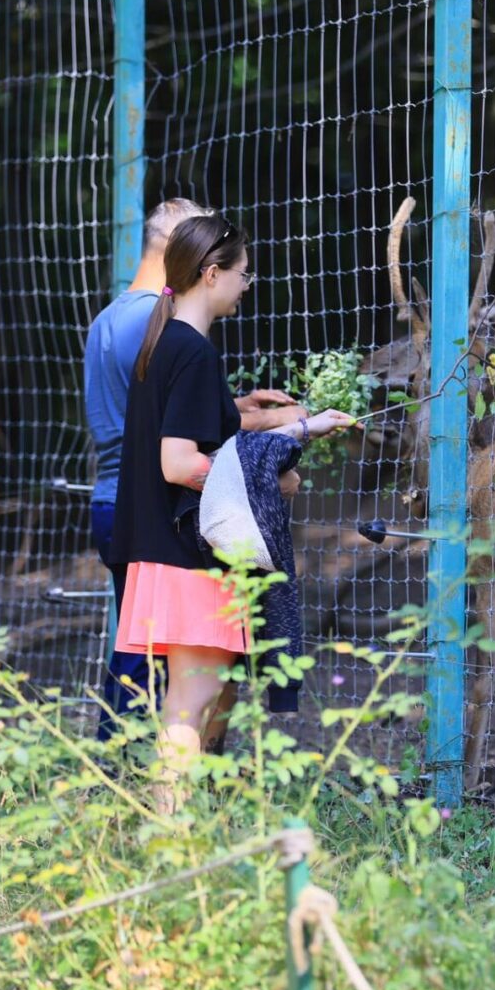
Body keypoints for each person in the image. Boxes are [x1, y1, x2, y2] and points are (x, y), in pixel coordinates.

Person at [109, 214, 356, 813]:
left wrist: (288, 429)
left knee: (207, 696)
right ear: (211, 274)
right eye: (243, 274)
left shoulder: (165, 342)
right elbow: (178, 462)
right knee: (189, 705)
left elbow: (207, 433)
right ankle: (167, 837)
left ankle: (194, 825)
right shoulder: (191, 353)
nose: (248, 284)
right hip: (188, 556)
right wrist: (265, 474)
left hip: (163, 550)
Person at [84, 199, 306, 741]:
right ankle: (133, 779)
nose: (244, 280)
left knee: (152, 666)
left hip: (118, 499)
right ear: (194, 256)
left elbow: (163, 410)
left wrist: (243, 410)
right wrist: (262, 458)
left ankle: (132, 781)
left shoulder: (115, 317)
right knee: (169, 679)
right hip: (163, 512)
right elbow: (175, 444)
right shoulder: (161, 327)